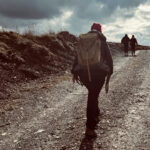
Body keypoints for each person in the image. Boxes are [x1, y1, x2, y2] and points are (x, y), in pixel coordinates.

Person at [71, 23, 113, 138]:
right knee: (92, 96)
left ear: (91, 30)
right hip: (99, 73)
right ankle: (89, 128)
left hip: (83, 74)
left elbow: (77, 56)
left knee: (93, 93)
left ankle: (96, 112)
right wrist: (110, 71)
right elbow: (109, 58)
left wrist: (74, 71)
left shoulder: (84, 40)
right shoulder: (101, 40)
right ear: (100, 30)